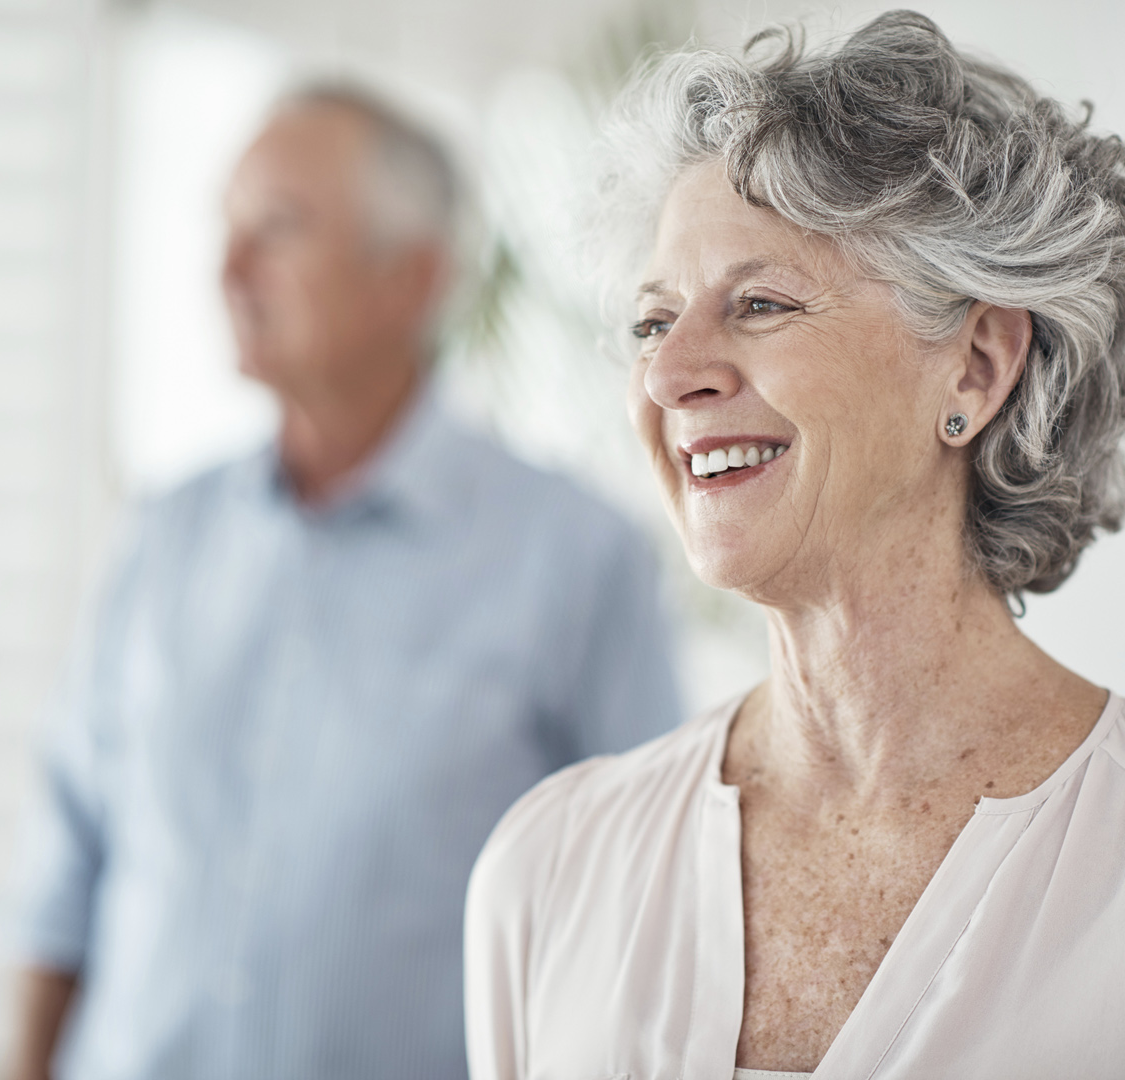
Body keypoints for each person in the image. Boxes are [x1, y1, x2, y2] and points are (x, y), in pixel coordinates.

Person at [465, 12, 1125, 1080]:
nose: (672, 374)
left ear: (976, 368)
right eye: (651, 322)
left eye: (759, 303)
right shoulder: (551, 869)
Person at [7, 84, 681, 1080]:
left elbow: (641, 909)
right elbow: (65, 867)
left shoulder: (578, 555)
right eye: (228, 230)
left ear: (410, 279)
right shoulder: (161, 536)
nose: (228, 269)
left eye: (277, 229)